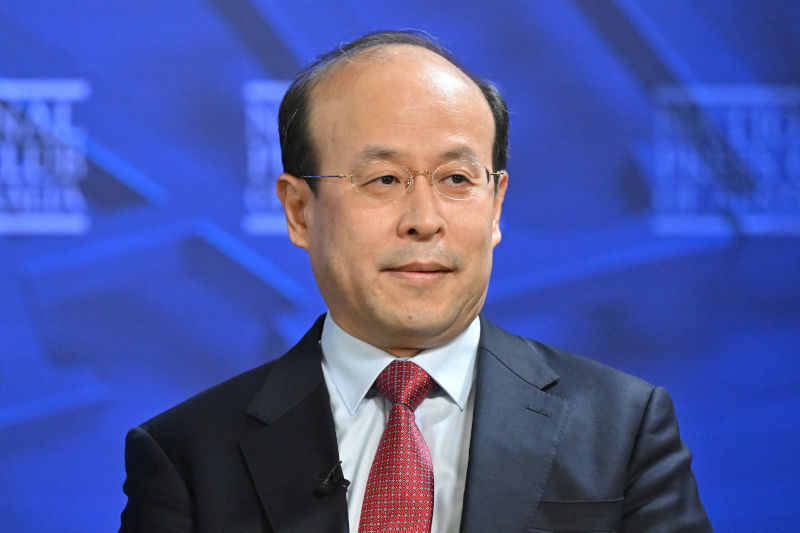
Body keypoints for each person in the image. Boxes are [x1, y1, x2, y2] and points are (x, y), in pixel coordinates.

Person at [120, 31, 711, 532]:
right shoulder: (187, 456)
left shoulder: (624, 427)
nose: (425, 220)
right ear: (300, 211)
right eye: (383, 180)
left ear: (497, 204)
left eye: (457, 179)